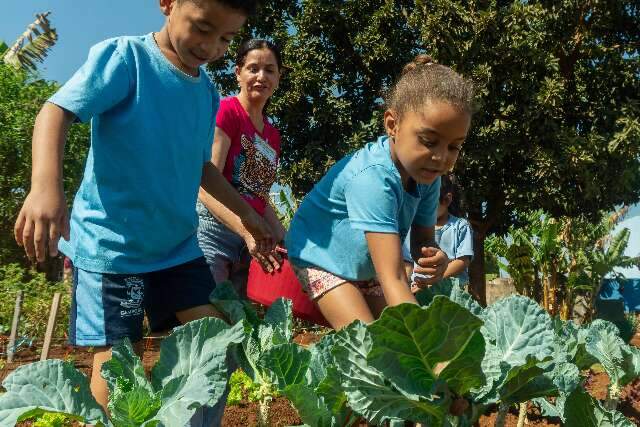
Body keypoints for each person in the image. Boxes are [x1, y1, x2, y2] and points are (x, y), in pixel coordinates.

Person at [13, 0, 271, 425]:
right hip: (113, 251)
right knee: (121, 366)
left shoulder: (206, 91)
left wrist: (247, 216)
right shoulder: (126, 59)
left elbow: (202, 167)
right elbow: (55, 110)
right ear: (168, 4)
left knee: (215, 341)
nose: (210, 47)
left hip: (176, 248)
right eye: (202, 28)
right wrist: (45, 187)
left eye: (225, 38)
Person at [285, 55, 475, 329]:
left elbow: (422, 242)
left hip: (365, 266)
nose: (441, 157)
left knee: (393, 336)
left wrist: (435, 257)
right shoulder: (372, 179)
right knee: (367, 345)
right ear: (392, 125)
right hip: (320, 258)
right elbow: (394, 278)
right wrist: (430, 357)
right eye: (429, 141)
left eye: (454, 147)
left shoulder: (428, 177)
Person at [197, 38, 285, 298]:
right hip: (213, 229)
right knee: (212, 318)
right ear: (238, 73)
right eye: (253, 68)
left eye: (270, 70)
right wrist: (246, 230)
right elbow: (205, 186)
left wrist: (285, 239)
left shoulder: (272, 135)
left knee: (242, 325)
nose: (261, 76)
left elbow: (257, 197)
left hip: (252, 242)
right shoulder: (227, 111)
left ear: (279, 77)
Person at [404, 174, 474, 287]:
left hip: (451, 292)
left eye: (426, 204)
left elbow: (462, 261)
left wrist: (433, 280)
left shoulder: (461, 226)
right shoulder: (412, 228)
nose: (420, 209)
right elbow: (408, 263)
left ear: (446, 200)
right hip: (419, 290)